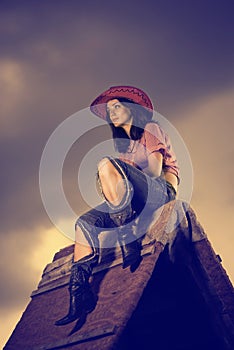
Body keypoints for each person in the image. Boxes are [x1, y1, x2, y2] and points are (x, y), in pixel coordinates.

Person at [55, 85, 179, 326]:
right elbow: (119, 190)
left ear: (131, 109)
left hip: (161, 191)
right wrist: (114, 179)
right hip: (133, 200)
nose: (112, 112)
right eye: (109, 109)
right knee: (84, 222)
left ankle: (127, 233)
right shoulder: (125, 148)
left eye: (117, 106)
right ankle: (80, 294)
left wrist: (118, 171)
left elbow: (154, 171)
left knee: (105, 162)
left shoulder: (150, 129)